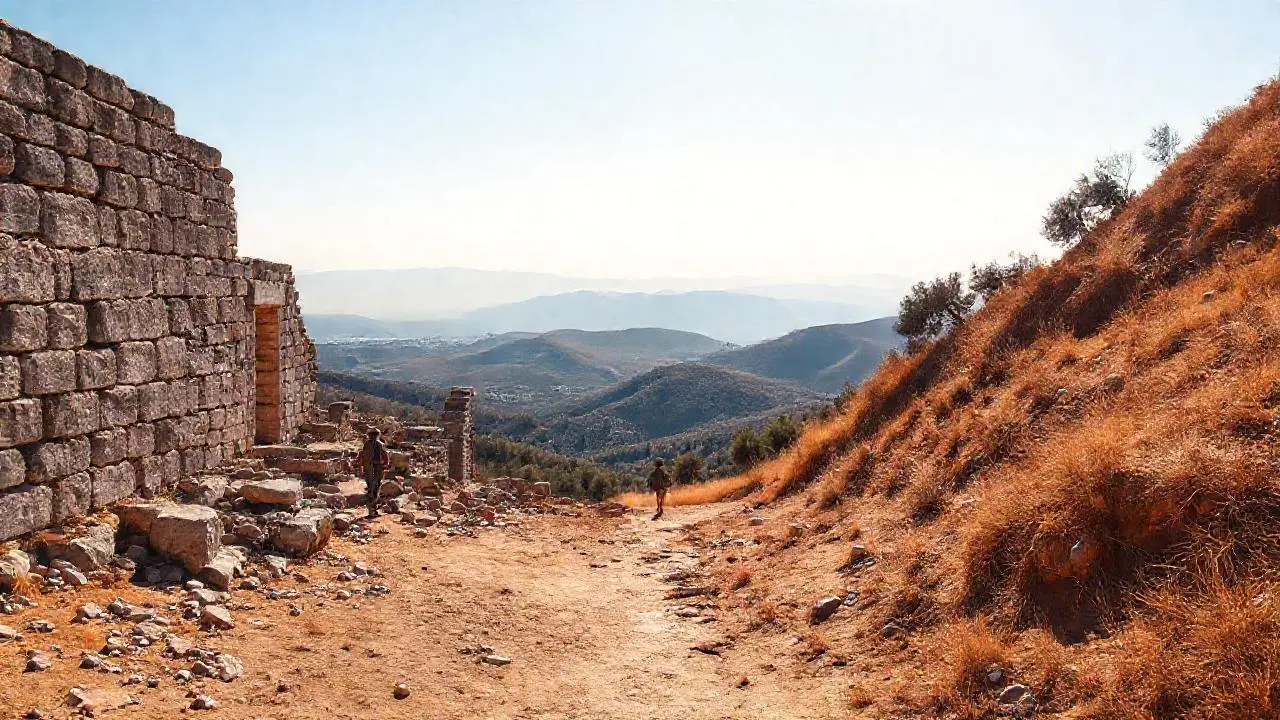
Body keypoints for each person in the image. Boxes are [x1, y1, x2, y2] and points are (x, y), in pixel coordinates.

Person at [356, 428, 391, 517]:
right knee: (375, 488)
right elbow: (385, 456)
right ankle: (372, 509)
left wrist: (360, 468)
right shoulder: (380, 444)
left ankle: (371, 509)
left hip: (369, 468)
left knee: (371, 488)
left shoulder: (366, 444)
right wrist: (385, 465)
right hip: (377, 468)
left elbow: (361, 456)